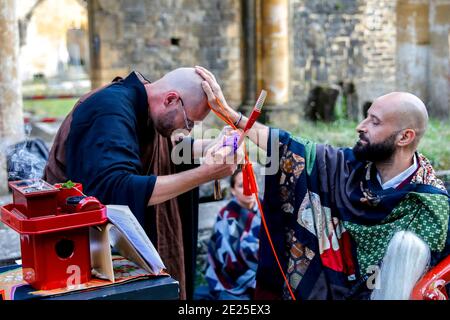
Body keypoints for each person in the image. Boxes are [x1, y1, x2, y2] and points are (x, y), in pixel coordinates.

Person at [195, 65, 450, 300]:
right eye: (366, 117)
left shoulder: (430, 205)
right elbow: (291, 147)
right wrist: (231, 116)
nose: (360, 127)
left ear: (405, 137)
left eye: (375, 121)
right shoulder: (349, 168)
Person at [43, 67, 240, 299]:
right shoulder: (109, 111)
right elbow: (113, 190)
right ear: (170, 99)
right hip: (77, 250)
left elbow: (169, 150)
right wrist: (206, 174)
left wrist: (211, 147)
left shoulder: (144, 104)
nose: (188, 130)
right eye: (189, 122)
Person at [202, 167, 261, 300]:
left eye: (251, 182)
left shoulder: (267, 209)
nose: (248, 189)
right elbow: (228, 262)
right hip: (232, 278)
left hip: (264, 273)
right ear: (233, 190)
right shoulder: (226, 217)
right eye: (241, 186)